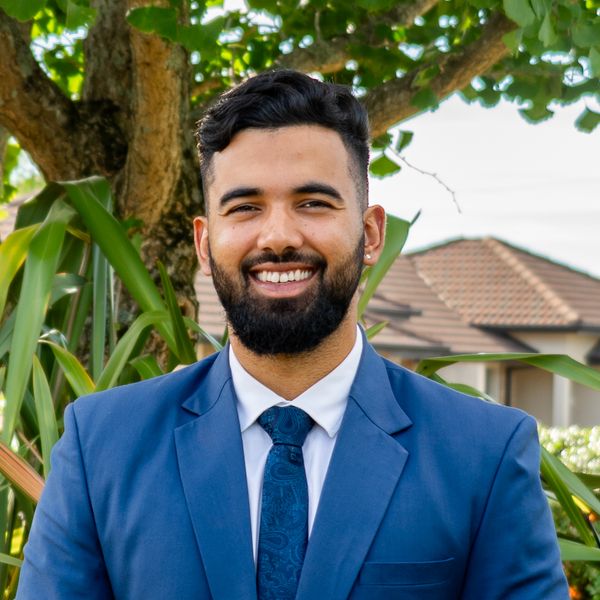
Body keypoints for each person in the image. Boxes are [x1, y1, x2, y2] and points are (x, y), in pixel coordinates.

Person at [17, 70, 568, 599]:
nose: (278, 236)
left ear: (371, 233)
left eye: (313, 203)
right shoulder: (101, 446)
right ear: (205, 244)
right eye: (245, 207)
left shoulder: (484, 454)